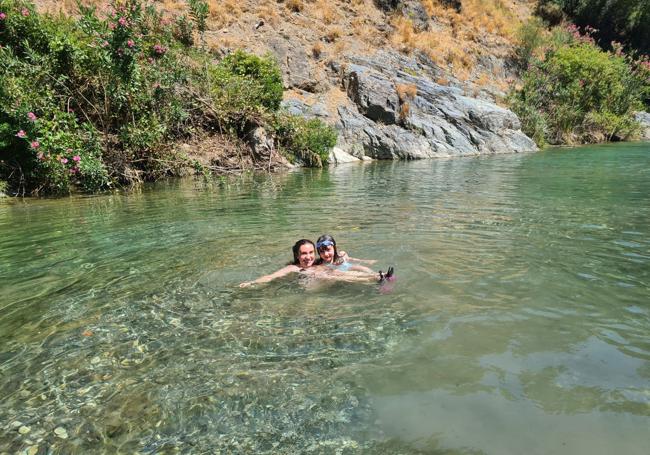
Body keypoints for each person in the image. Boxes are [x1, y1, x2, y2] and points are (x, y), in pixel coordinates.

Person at [239, 239, 317, 287]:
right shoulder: (293, 268)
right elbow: (270, 277)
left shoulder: (319, 266)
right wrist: (252, 282)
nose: (308, 257)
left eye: (311, 252)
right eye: (304, 253)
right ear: (297, 255)